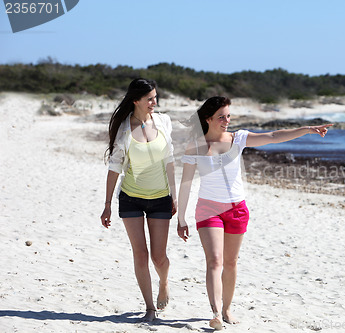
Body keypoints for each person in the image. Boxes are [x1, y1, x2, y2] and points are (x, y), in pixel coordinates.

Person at [176, 96, 331, 330]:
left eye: (228, 116)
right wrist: (181, 218)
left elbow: (274, 136)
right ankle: (216, 312)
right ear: (208, 119)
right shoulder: (195, 146)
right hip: (208, 209)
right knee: (214, 260)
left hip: (237, 209)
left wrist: (307, 130)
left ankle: (227, 308)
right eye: (221, 117)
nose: (227, 120)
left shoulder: (238, 139)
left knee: (230, 262)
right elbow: (186, 183)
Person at [100, 78, 177, 322]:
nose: (155, 102)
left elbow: (170, 161)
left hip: (160, 198)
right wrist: (107, 205)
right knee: (140, 254)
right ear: (136, 100)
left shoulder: (163, 122)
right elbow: (114, 168)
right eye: (150, 98)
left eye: (155, 97)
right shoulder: (124, 128)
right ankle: (149, 308)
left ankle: (164, 282)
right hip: (131, 198)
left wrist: (174, 195)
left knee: (159, 257)